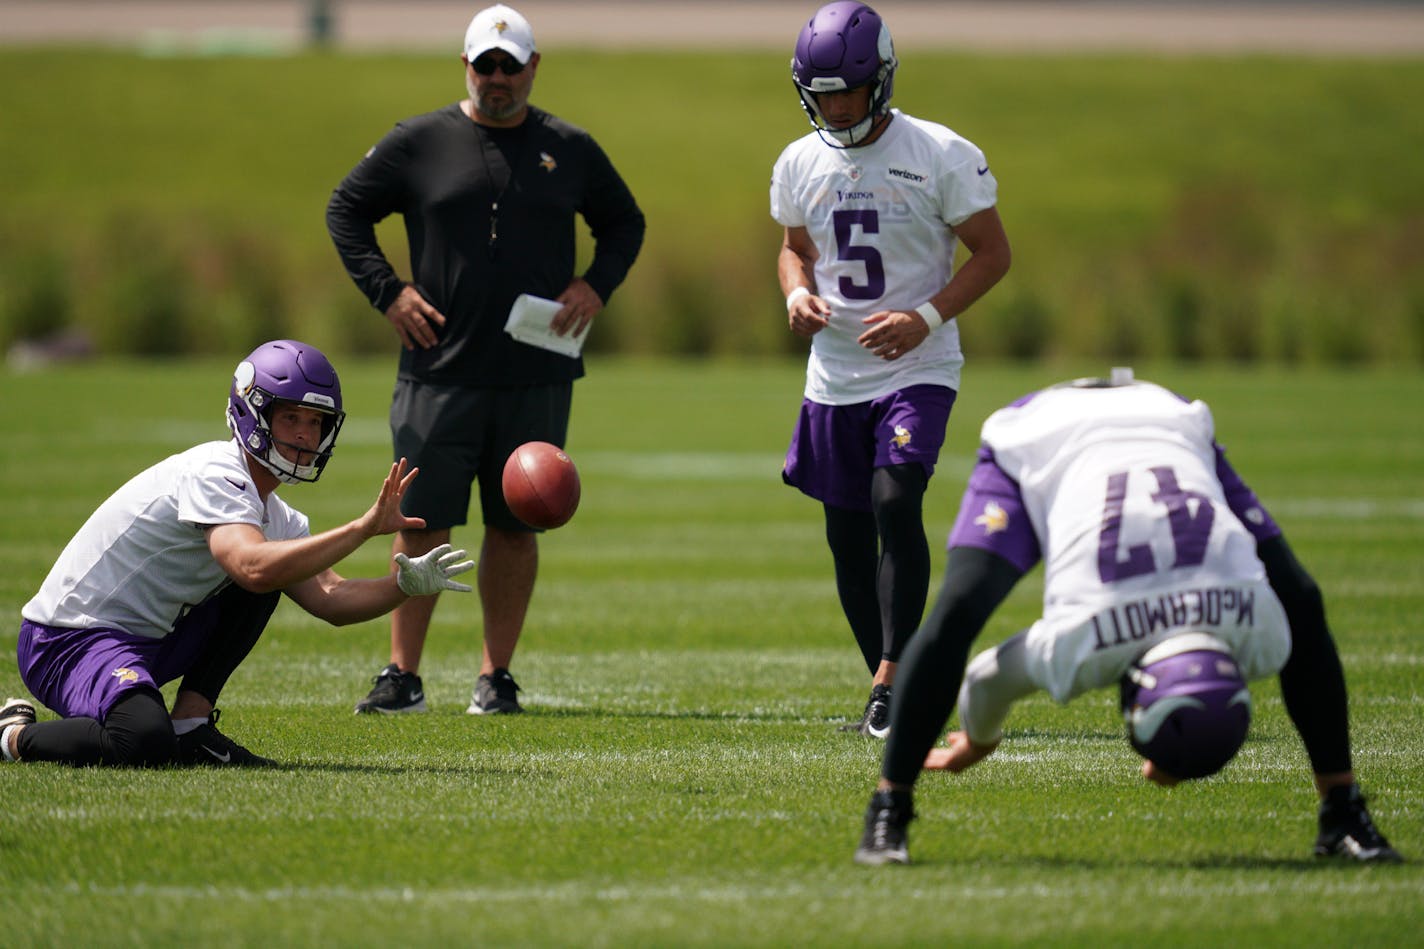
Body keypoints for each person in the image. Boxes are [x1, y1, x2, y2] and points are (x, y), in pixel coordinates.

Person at [854, 369, 1403, 865]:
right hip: (1045, 437)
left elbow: (983, 678)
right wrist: (977, 743)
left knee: (1302, 596)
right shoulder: (1086, 637)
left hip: (1164, 415)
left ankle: (1342, 812)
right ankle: (890, 802)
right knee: (958, 608)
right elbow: (985, 679)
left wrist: (980, 737)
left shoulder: (1261, 628)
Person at [326, 3, 645, 717]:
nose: (497, 78)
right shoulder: (418, 142)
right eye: (485, 64)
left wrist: (595, 285)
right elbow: (345, 209)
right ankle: (402, 674)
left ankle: (495, 675)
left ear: (534, 66)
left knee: (515, 522)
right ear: (464, 66)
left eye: (510, 65)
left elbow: (625, 222)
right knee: (419, 521)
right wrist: (389, 291)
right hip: (437, 367)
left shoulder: (570, 146)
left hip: (536, 369)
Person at [0, 340, 475, 768]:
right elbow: (250, 566)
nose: (306, 436)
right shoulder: (214, 470)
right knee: (142, 741)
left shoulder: (278, 515)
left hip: (149, 639)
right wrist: (363, 528)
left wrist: (402, 587)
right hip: (69, 641)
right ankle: (12, 735)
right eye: (291, 417)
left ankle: (192, 725)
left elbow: (332, 598)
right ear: (253, 413)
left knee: (282, 563)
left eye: (316, 422)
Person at [769, 2, 1011, 736]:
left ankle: (892, 679)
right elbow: (793, 248)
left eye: (847, 89)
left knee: (895, 500)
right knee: (846, 534)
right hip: (834, 374)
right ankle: (889, 683)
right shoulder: (799, 161)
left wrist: (925, 317)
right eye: (822, 92)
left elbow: (994, 253)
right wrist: (796, 293)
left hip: (919, 366)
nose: (834, 105)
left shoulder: (939, 152)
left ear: (881, 80)